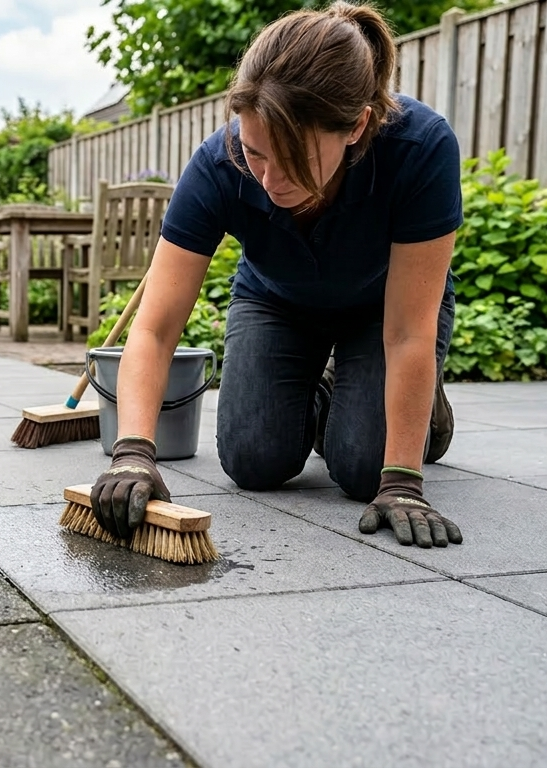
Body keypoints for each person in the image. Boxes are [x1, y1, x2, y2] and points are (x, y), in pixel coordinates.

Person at [90, 0, 464, 550]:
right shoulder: (219, 163)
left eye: (294, 161)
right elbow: (155, 327)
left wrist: (403, 481)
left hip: (386, 308)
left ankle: (415, 403)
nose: (268, 180)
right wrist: (133, 452)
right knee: (253, 460)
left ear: (357, 126)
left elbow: (408, 331)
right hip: (277, 300)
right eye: (257, 154)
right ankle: (339, 391)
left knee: (365, 471)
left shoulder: (422, 148)